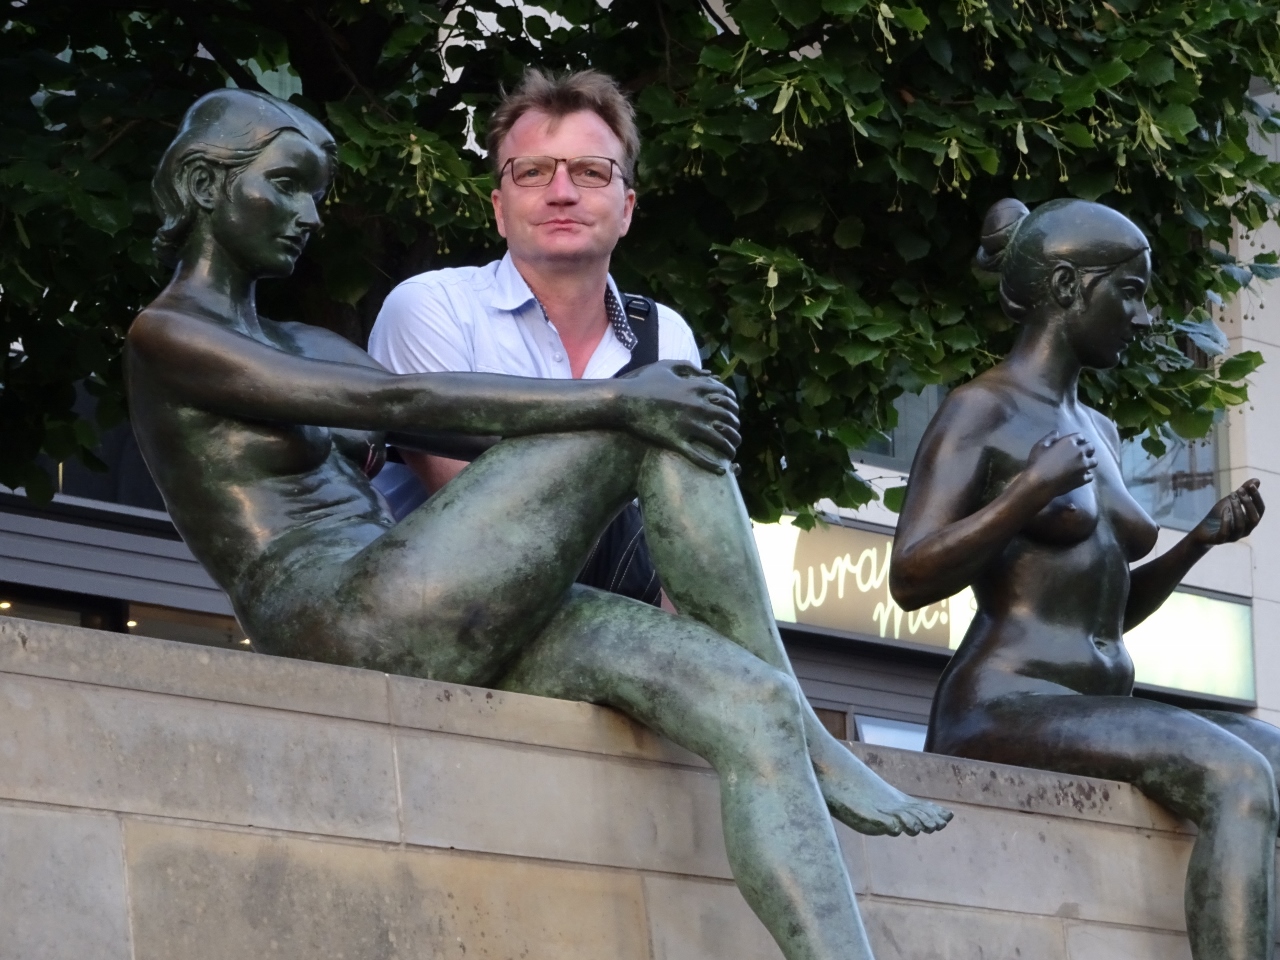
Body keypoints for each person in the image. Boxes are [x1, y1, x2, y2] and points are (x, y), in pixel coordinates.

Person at [127, 87, 950, 960]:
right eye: (288, 185)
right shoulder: (169, 336)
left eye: (316, 193)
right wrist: (621, 403)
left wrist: (628, 415)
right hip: (334, 618)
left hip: (431, 608)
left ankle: (805, 775)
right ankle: (820, 737)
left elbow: (458, 432)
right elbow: (398, 400)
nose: (310, 215)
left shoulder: (307, 342)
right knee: (648, 414)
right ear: (206, 185)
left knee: (750, 704)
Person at [890, 196, 1276, 960]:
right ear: (1067, 288)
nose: (1142, 316)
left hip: (1093, 704)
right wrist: (1025, 494)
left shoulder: (1100, 428)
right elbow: (910, 575)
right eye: (1128, 292)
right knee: (1234, 775)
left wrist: (1197, 544)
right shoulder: (981, 409)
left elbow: (1102, 609)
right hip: (1003, 706)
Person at [368, 68, 698, 606]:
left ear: (626, 210)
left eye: (590, 171)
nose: (561, 193)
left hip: (619, 642)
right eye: (533, 172)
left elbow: (687, 555)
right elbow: (484, 529)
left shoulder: (668, 341)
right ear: (500, 210)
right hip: (440, 630)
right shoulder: (434, 309)